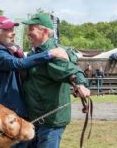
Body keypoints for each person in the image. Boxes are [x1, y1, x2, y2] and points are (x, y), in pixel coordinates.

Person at [0, 16, 68, 148]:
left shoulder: (14, 50)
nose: (13, 32)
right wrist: (50, 53)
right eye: (8, 30)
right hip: (8, 112)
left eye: (13, 29)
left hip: (21, 111)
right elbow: (18, 64)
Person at [22, 13, 90, 148]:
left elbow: (71, 70)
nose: (28, 33)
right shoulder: (35, 53)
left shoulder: (54, 53)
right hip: (35, 119)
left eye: (32, 29)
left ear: (45, 31)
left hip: (50, 122)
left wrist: (80, 84)